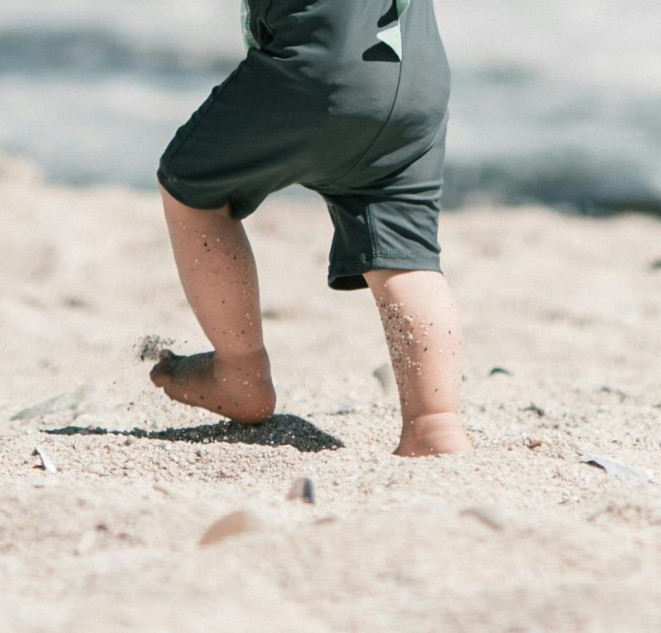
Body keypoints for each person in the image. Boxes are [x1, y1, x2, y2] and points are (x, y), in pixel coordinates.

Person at [147, 0, 472, 457]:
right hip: (414, 82)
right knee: (406, 256)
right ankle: (434, 423)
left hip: (315, 73)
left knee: (189, 186)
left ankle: (240, 372)